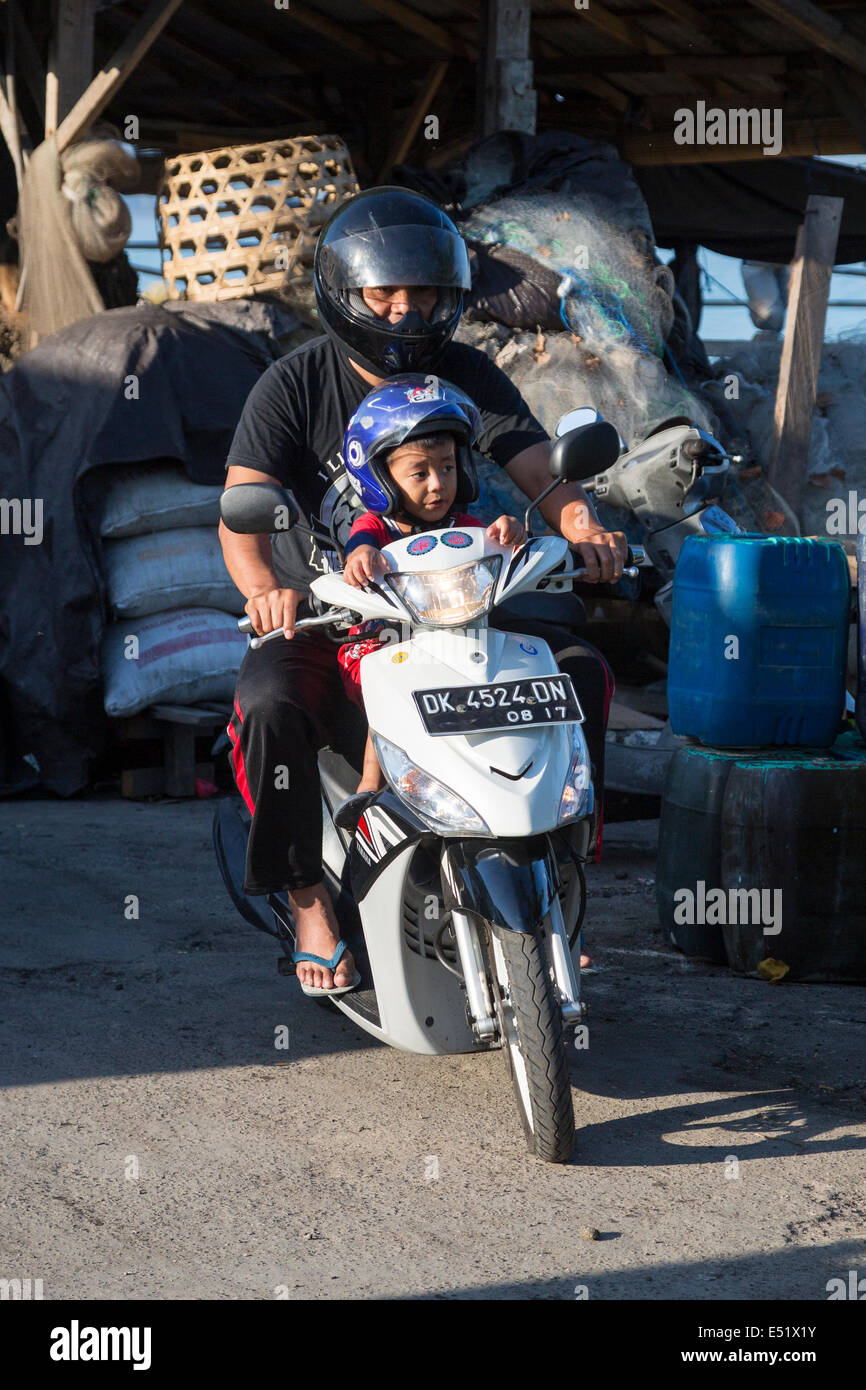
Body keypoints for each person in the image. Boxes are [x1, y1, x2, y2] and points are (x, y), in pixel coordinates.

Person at [220, 186, 625, 995]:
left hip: (457, 607)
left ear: (451, 297)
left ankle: (562, 889)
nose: (405, 313)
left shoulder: (468, 372)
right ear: (345, 293)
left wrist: (583, 526)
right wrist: (267, 589)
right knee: (268, 705)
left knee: (578, 672)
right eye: (384, 294)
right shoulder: (296, 384)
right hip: (338, 620)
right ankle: (308, 906)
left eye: (426, 295)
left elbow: (540, 471)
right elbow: (243, 509)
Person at [335, 375, 525, 799]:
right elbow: (360, 544)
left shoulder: (468, 527)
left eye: (447, 468)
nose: (438, 483)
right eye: (419, 473)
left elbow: (497, 547)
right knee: (392, 681)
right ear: (379, 478)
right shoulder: (377, 527)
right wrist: (362, 556)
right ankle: (370, 785)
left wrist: (510, 531)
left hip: (460, 639)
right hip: (383, 642)